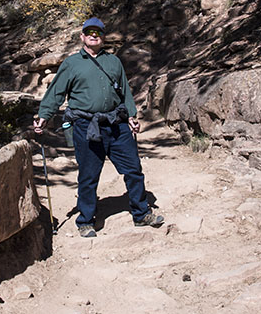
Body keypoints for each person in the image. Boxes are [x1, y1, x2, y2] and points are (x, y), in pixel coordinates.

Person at [33, 17, 164, 238]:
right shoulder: (72, 63)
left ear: (103, 37)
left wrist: (132, 115)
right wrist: (44, 116)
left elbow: (124, 91)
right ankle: (85, 220)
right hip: (86, 126)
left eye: (99, 32)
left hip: (117, 124)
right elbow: (56, 93)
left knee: (133, 169)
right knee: (88, 175)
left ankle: (142, 214)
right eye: (90, 32)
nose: (94, 35)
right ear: (82, 36)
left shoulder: (114, 62)